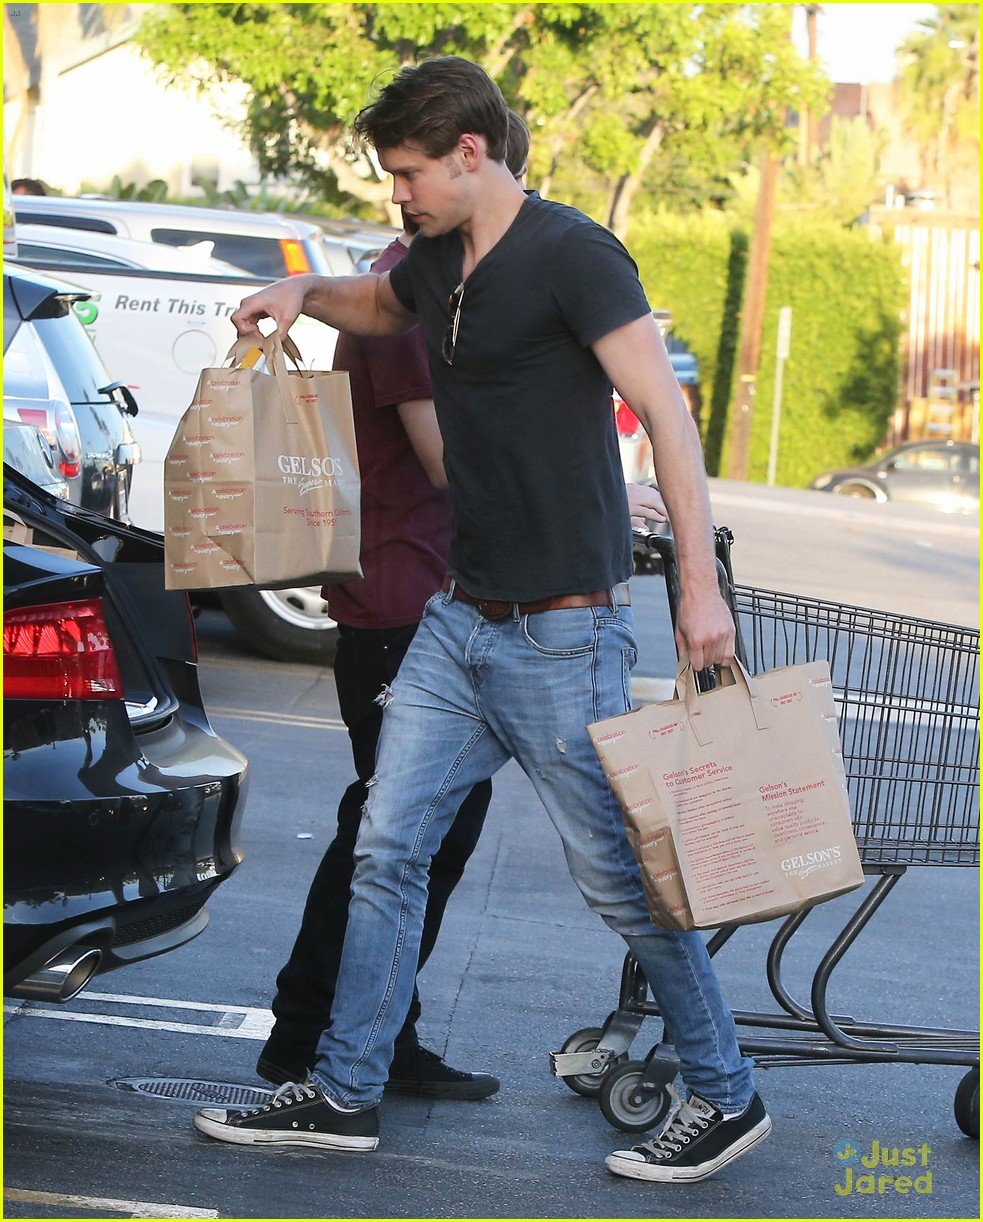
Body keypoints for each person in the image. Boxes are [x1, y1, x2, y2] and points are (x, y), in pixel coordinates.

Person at [195, 57, 769, 1186]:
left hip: (561, 631)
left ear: (470, 154)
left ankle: (726, 1094)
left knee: (615, 876)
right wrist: (302, 292)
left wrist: (696, 590)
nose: (395, 195)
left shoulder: (572, 255)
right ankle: (345, 1090)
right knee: (386, 848)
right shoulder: (435, 258)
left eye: (408, 173)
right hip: (459, 623)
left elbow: (664, 413)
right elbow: (377, 301)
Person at [254, 110, 534, 1104]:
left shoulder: (427, 290)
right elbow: (438, 458)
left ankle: (372, 1025)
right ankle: (311, 1030)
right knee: (400, 831)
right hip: (402, 599)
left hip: (410, 590)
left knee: (408, 829)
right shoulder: (412, 298)